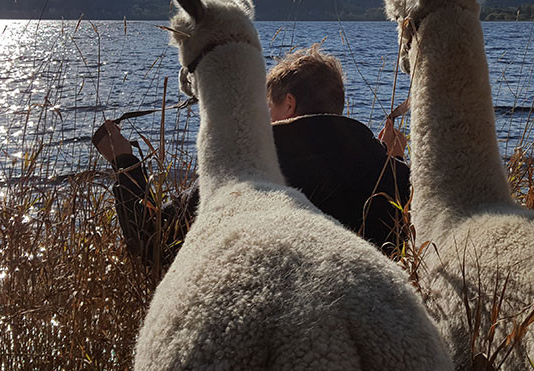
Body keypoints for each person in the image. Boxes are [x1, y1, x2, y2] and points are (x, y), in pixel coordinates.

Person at [95, 45, 411, 261]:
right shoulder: (393, 178)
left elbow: (151, 244)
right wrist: (392, 161)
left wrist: (126, 165)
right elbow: (394, 237)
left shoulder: (242, 172)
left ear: (289, 104)